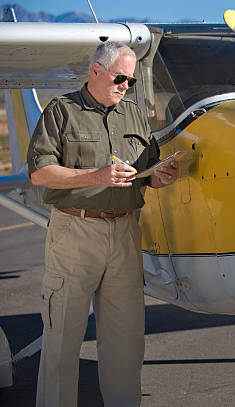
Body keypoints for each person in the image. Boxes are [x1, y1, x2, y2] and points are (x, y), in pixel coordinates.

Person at [27, 41, 178, 407]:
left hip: (125, 231)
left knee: (126, 341)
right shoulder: (62, 111)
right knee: (63, 338)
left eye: (130, 80)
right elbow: (40, 173)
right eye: (119, 77)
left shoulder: (134, 114)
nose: (126, 85)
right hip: (75, 233)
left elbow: (146, 174)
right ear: (95, 72)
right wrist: (97, 176)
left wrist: (161, 176)